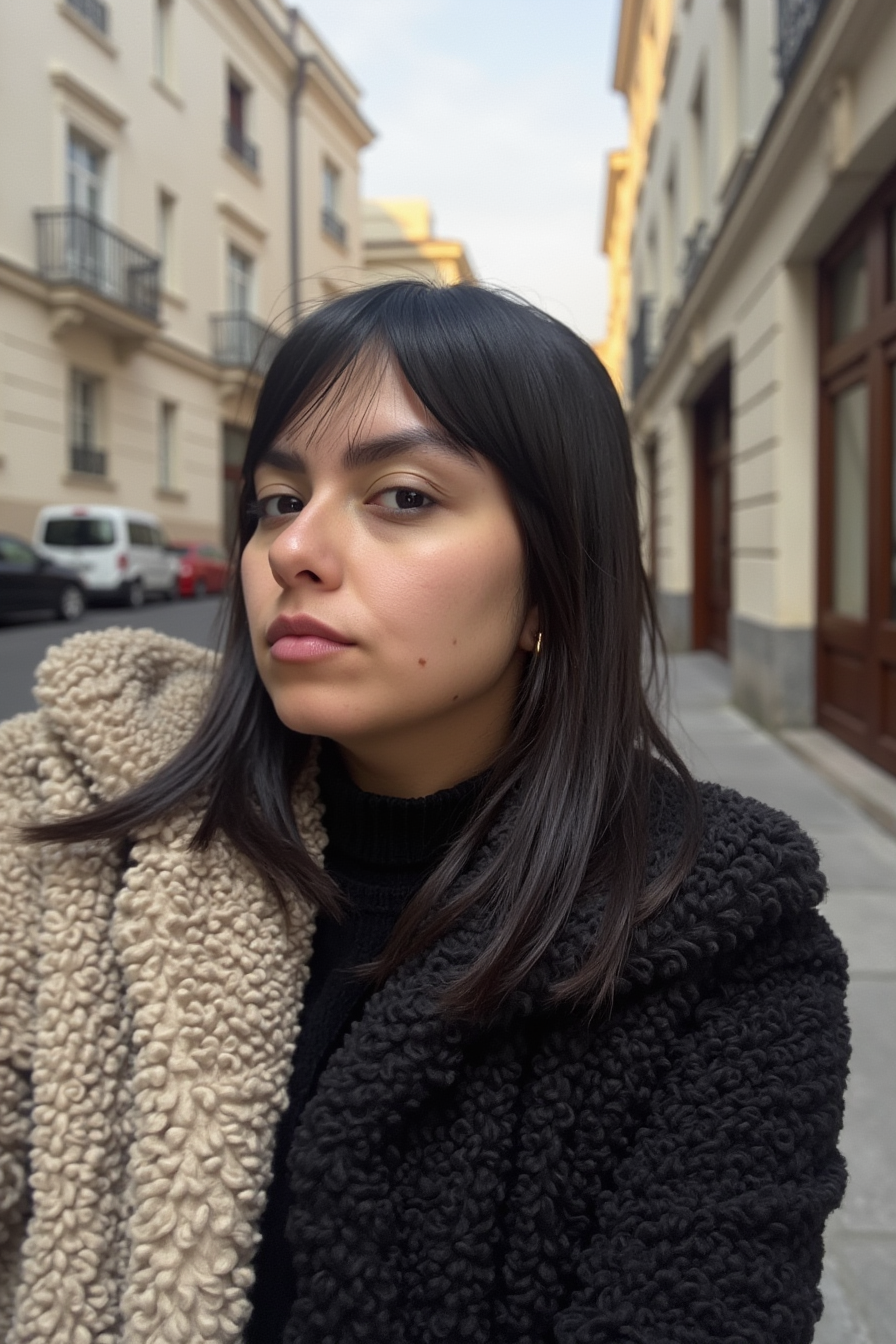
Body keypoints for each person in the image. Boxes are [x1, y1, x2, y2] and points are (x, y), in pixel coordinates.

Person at [0, 281, 848, 1344]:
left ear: (552, 585)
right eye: (277, 499)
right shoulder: (65, 824)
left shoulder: (724, 939)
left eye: (401, 496)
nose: (292, 550)